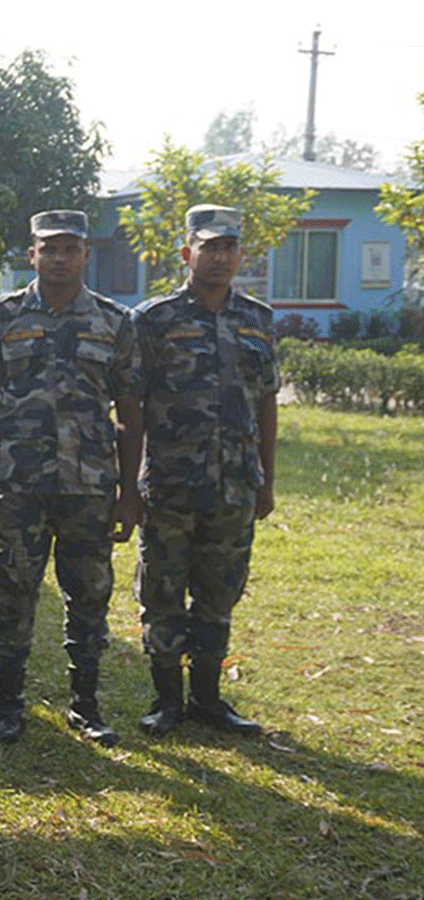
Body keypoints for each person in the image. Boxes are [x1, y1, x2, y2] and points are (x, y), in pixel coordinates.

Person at [0, 209, 143, 746]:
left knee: (89, 596)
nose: (60, 258)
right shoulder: (4, 316)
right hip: (21, 487)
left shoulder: (116, 323)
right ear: (32, 255)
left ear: (87, 255)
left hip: (90, 488)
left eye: (71, 248)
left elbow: (131, 413)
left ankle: (86, 708)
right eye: (50, 249)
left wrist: (129, 495)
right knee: (12, 596)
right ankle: (8, 708)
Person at [131, 204, 277, 738]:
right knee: (163, 596)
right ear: (185, 252)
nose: (218, 257)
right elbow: (132, 404)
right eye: (207, 246)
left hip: (235, 485)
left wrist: (268, 477)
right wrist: (132, 485)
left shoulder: (257, 320)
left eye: (227, 247)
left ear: (240, 254)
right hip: (170, 485)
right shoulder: (153, 319)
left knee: (219, 596)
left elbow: (267, 404)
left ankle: (209, 701)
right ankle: (167, 702)